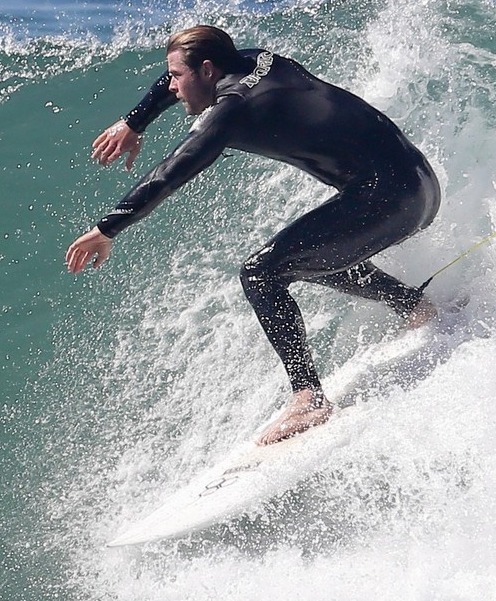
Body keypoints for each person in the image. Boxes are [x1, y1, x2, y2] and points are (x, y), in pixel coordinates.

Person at [66, 26, 441, 445]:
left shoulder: (233, 109)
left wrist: (106, 229)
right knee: (304, 255)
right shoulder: (258, 60)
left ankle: (309, 399)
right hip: (419, 185)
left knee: (261, 274)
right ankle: (415, 307)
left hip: (389, 198)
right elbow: (176, 82)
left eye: (175, 75)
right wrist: (134, 122)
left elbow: (171, 172)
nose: (170, 86)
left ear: (207, 70)